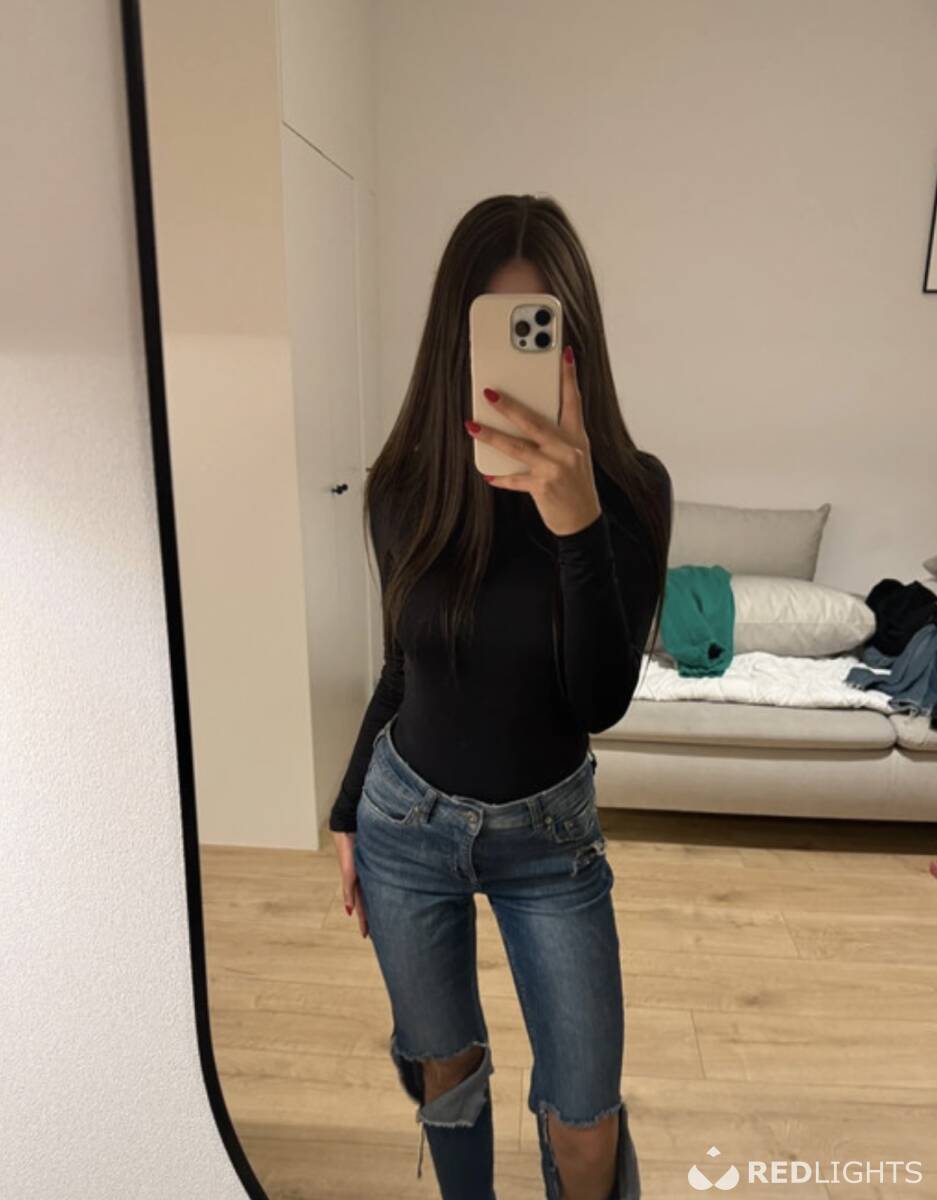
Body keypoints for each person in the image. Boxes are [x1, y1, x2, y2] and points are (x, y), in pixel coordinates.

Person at [329, 194, 672, 1200]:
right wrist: (347, 808)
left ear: (576, 343)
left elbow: (597, 702)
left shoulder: (632, 492)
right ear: (456, 341)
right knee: (448, 1074)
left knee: (584, 1117)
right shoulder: (405, 488)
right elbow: (402, 667)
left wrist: (577, 528)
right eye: (497, 331)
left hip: (549, 843)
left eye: (541, 332)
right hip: (404, 826)